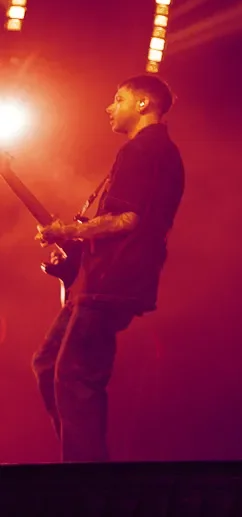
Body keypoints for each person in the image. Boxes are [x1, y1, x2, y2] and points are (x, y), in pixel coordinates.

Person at [32, 74, 185, 462]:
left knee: (75, 375)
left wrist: (65, 231)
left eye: (118, 99)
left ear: (142, 104)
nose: (109, 107)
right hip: (99, 279)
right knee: (49, 365)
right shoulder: (155, 151)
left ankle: (86, 476)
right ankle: (80, 463)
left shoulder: (143, 150)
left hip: (112, 281)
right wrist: (75, 257)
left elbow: (127, 219)